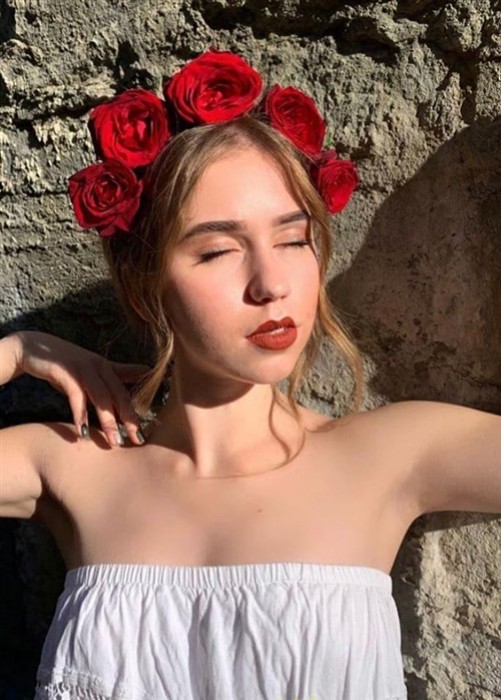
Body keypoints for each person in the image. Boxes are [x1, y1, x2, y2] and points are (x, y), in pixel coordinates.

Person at [0, 49, 499, 700]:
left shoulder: (393, 454)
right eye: (217, 251)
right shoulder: (68, 466)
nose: (271, 284)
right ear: (145, 280)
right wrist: (19, 351)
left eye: (293, 239)